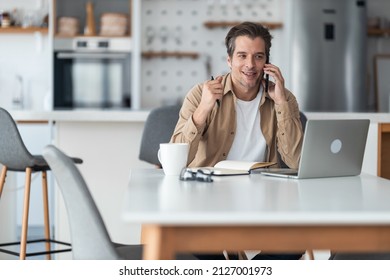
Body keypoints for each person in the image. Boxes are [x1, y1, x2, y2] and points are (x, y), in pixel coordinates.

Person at [170, 21, 304, 260]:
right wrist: (203, 110)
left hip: (264, 198)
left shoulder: (283, 97)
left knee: (296, 240)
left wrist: (282, 104)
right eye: (242, 56)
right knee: (195, 241)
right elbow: (177, 158)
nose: (250, 65)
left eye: (258, 56)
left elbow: (297, 160)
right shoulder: (201, 94)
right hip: (208, 199)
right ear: (229, 60)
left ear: (267, 63)